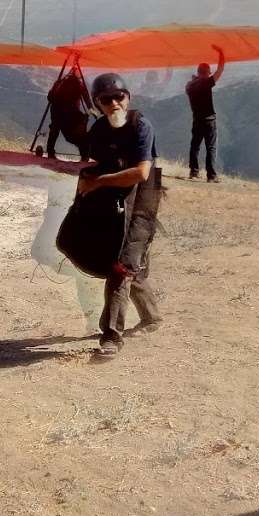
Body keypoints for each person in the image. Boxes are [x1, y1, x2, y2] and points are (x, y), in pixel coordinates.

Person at [76, 72, 161, 356]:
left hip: (141, 202)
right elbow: (92, 164)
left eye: (119, 97)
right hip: (113, 201)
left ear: (128, 98)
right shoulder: (99, 129)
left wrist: (98, 182)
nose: (114, 103)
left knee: (121, 268)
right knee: (128, 264)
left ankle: (111, 336)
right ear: (97, 104)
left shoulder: (141, 126)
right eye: (106, 99)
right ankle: (152, 316)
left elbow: (141, 172)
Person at [186, 45, 225, 181]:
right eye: (208, 73)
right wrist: (221, 54)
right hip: (209, 120)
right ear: (207, 73)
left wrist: (195, 78)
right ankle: (211, 175)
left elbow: (193, 82)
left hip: (197, 120)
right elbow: (219, 71)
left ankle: (194, 172)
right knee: (211, 147)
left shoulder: (189, 86)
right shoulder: (206, 83)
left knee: (195, 146)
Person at [46, 62, 92, 159]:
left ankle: (50, 152)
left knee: (55, 129)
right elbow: (87, 99)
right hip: (70, 114)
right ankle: (84, 155)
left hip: (57, 112)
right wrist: (91, 110)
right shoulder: (79, 84)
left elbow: (50, 97)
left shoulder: (60, 81)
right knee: (77, 135)